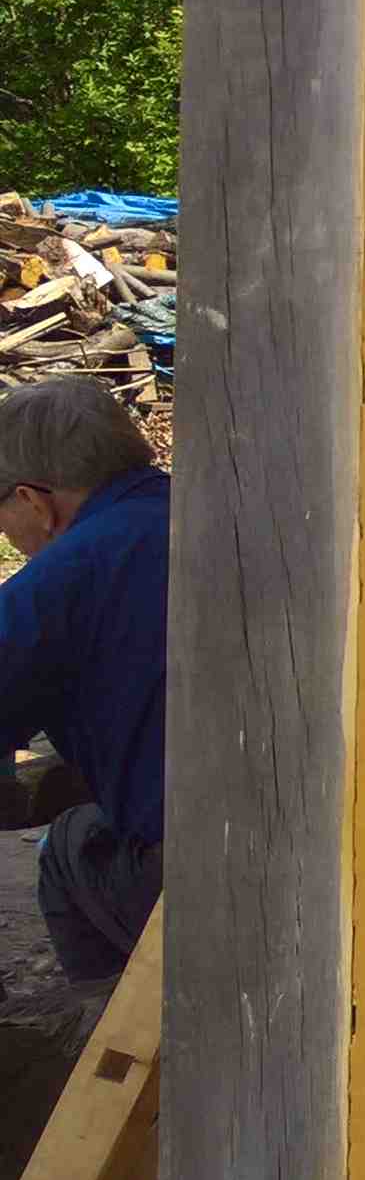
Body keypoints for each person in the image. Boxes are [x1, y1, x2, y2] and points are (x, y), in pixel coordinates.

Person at [0, 380, 163, 981]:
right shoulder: (222, 514)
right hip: (340, 850)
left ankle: (118, 1025)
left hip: (204, 878)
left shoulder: (55, 583)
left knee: (68, 847)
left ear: (33, 501)